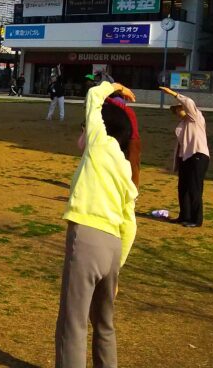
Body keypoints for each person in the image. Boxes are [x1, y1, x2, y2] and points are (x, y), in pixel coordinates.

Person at [55, 80, 138, 367]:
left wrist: (114, 87)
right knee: (104, 323)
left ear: (103, 127)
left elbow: (92, 96)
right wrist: (117, 268)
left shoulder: (99, 144)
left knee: (73, 322)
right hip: (113, 248)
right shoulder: (125, 168)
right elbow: (130, 224)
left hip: (87, 240)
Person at [159, 86, 210, 227]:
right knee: (183, 188)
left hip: (198, 156)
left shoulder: (196, 117)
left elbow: (189, 102)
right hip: (186, 158)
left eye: (179, 108)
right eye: (176, 110)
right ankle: (184, 216)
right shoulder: (184, 123)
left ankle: (196, 220)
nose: (177, 112)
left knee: (194, 188)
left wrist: (172, 93)